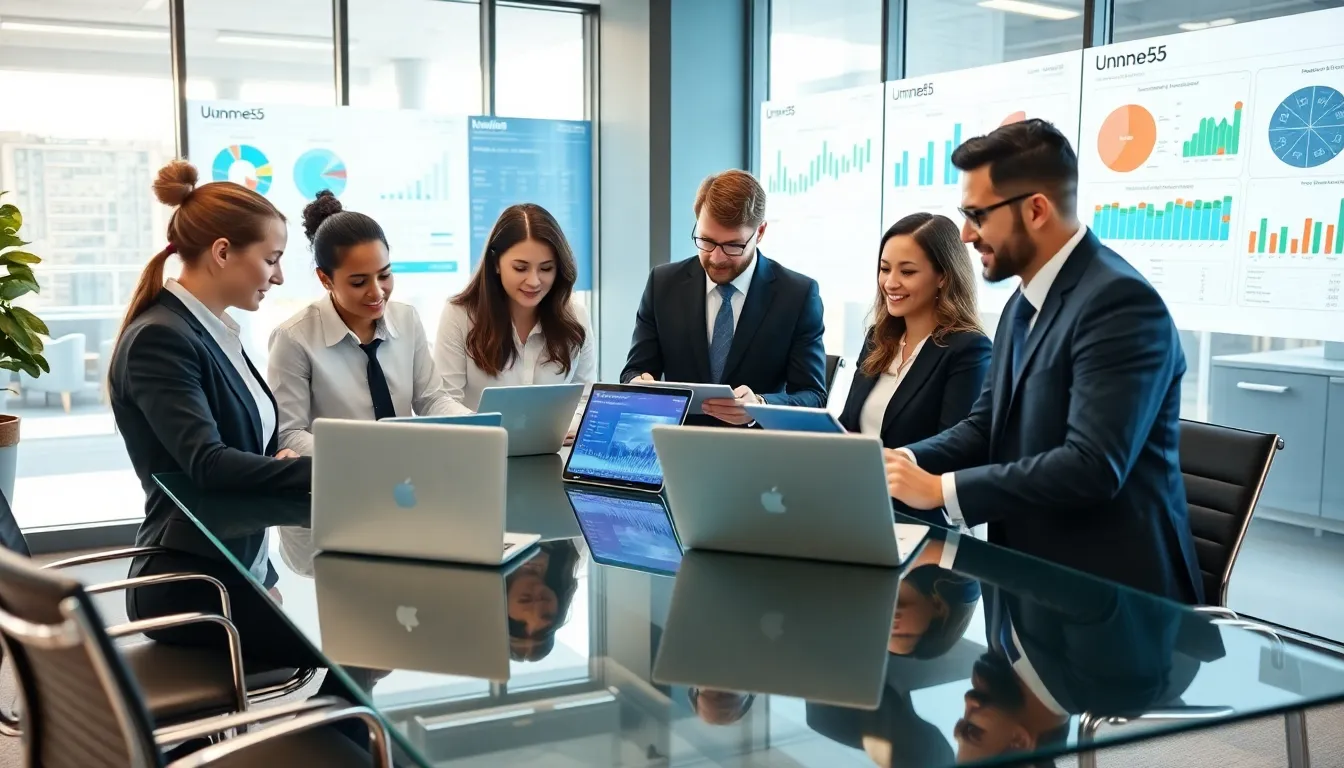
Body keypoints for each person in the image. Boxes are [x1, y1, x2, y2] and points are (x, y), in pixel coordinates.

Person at [883, 119, 1203, 604]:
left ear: (1035, 210)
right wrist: (906, 460)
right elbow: (986, 423)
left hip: (1114, 599)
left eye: (978, 215)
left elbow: (1092, 465)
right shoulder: (1023, 301)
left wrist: (941, 491)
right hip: (1032, 579)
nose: (967, 235)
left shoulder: (1120, 303)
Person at [109, 161, 366, 750]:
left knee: (354, 655)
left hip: (234, 563)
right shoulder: (162, 337)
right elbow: (208, 464)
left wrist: (267, 566)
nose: (277, 278)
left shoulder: (212, 330)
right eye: (271, 259)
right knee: (354, 664)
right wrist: (346, 471)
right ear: (223, 253)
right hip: (191, 582)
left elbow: (244, 450)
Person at [268, 191, 468, 456]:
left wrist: (476, 423)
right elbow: (288, 433)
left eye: (384, 275)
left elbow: (430, 399)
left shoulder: (407, 319)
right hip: (342, 476)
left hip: (407, 473)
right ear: (325, 279)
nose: (377, 293)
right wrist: (358, 455)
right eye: (359, 282)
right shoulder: (293, 338)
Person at [621, 169, 826, 427]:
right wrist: (638, 384)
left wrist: (760, 406)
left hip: (755, 454)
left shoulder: (797, 295)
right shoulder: (663, 284)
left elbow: (814, 396)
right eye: (706, 241)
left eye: (733, 245)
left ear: (760, 232)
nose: (716, 258)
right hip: (678, 447)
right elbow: (633, 371)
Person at [837, 212, 990, 527]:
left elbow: (958, 448)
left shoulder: (967, 349)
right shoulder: (878, 339)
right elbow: (849, 423)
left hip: (921, 521)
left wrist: (894, 462)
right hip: (857, 506)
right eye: (884, 269)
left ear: (943, 276)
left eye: (907, 271)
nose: (890, 283)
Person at [435, 203, 596, 438]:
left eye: (546, 268)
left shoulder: (575, 315)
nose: (534, 281)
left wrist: (569, 424)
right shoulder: (459, 315)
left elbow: (585, 396)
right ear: (496, 264)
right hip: (480, 451)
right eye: (521, 268)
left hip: (552, 454)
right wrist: (494, 429)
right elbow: (443, 401)